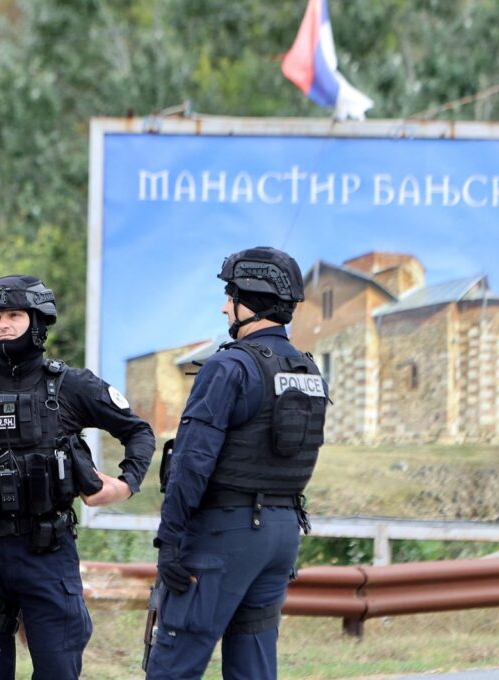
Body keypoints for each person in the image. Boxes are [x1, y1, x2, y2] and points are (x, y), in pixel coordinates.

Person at [0, 274, 155, 680]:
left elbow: (139, 432)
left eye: (15, 315)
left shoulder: (71, 386)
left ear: (37, 322)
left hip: (48, 553)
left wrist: (124, 484)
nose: (4, 325)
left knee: (58, 669)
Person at [145, 246, 327, 680]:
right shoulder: (307, 371)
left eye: (232, 296)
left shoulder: (229, 367)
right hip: (281, 535)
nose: (225, 306)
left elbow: (192, 462)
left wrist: (169, 541)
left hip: (225, 534)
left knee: (174, 662)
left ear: (253, 302)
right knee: (254, 668)